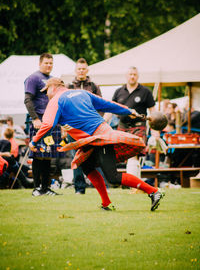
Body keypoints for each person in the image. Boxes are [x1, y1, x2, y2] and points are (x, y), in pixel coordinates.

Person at [29, 77, 165, 211]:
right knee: (86, 166)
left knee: (113, 177)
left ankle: (153, 191)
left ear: (53, 87)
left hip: (100, 137)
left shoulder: (56, 100)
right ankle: (106, 203)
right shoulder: (82, 93)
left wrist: (34, 141)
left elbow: (48, 124)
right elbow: (107, 104)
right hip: (95, 137)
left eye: (46, 91)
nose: (46, 95)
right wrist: (129, 110)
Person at [24, 53, 65, 196]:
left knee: (48, 155)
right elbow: (28, 100)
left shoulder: (52, 80)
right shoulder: (33, 78)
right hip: (38, 121)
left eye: (51, 63)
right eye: (46, 63)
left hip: (50, 121)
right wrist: (35, 118)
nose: (49, 65)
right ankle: (36, 188)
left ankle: (46, 188)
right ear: (40, 63)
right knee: (37, 154)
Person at [66, 57, 108, 194]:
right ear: (75, 70)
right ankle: (79, 188)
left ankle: (101, 187)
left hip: (91, 128)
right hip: (74, 128)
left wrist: (96, 122)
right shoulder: (69, 87)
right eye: (79, 69)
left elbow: (101, 106)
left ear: (87, 70)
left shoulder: (94, 86)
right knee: (76, 157)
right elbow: (64, 106)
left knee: (95, 157)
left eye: (83, 69)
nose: (81, 71)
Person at [110, 66, 157, 178]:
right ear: (126, 76)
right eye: (130, 74)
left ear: (138, 76)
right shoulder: (119, 92)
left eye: (134, 74)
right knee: (125, 157)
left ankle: (134, 185)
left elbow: (153, 112)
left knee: (134, 155)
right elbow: (110, 109)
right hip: (122, 127)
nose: (132, 76)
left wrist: (155, 132)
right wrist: (102, 122)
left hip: (138, 127)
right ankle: (136, 183)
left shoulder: (145, 92)